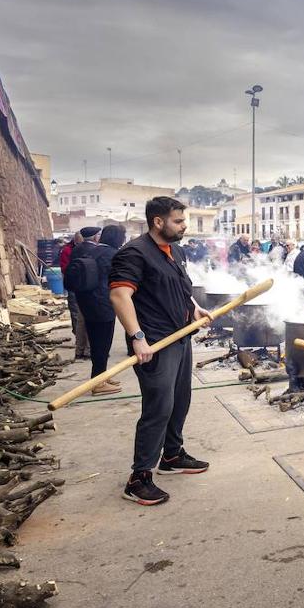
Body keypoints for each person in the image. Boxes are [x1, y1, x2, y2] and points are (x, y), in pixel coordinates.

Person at [109, 197, 213, 506]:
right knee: (159, 406)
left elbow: (182, 289)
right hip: (154, 343)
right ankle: (139, 477)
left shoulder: (176, 251)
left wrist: (194, 309)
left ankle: (172, 455)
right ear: (158, 222)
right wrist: (137, 337)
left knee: (180, 400)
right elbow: (119, 295)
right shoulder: (134, 253)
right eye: (178, 221)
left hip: (180, 338)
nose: (184, 226)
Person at [76, 225, 127, 396]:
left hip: (87, 302)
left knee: (98, 343)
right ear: (118, 238)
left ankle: (101, 376)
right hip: (102, 304)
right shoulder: (111, 254)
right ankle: (98, 383)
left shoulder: (92, 250)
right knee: (101, 345)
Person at [60, 230, 93, 361]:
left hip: (82, 286)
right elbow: (65, 268)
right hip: (77, 287)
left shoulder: (77, 249)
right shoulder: (68, 250)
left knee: (81, 317)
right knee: (79, 316)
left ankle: (81, 347)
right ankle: (82, 347)